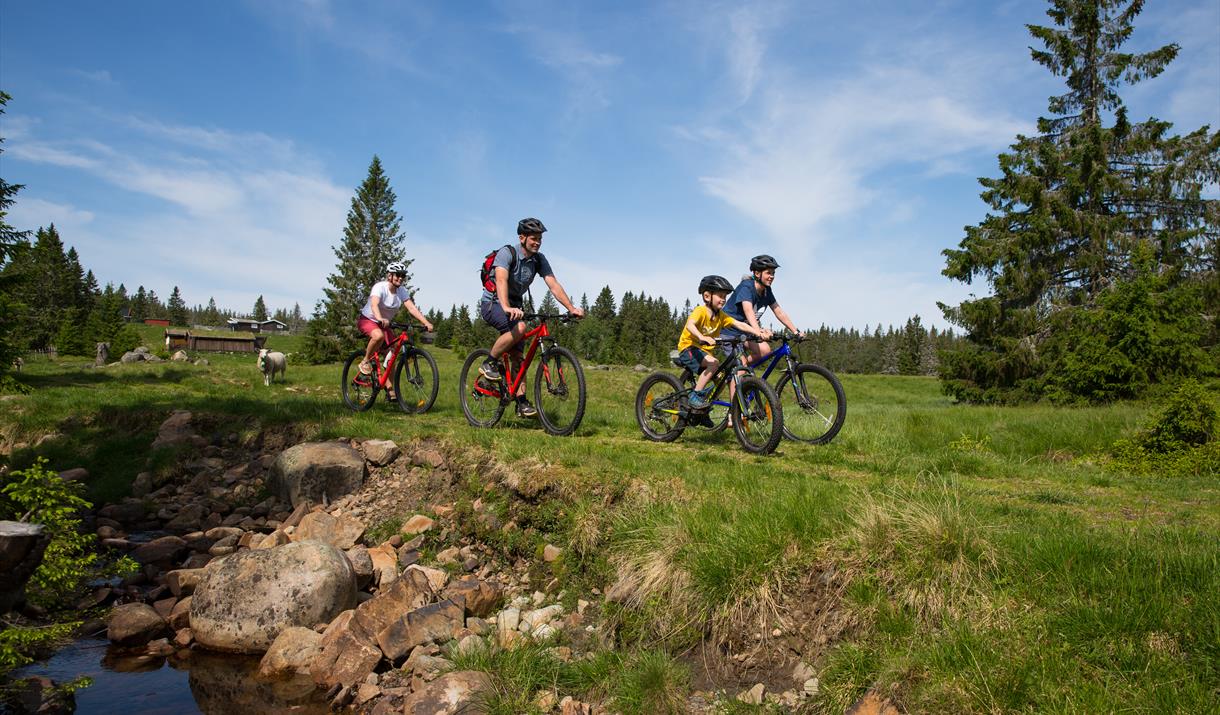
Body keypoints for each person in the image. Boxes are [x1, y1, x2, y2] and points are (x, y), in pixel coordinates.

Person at [477, 217, 584, 418]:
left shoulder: (539, 259)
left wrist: (571, 308)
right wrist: (507, 307)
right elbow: (501, 280)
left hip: (515, 307)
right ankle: (489, 362)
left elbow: (553, 284)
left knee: (519, 357)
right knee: (521, 329)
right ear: (522, 237)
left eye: (540, 239)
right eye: (533, 238)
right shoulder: (507, 253)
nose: (537, 242)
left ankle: (521, 401)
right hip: (494, 304)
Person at [676, 275, 771, 411]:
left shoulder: (721, 316)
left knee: (721, 379)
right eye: (720, 296)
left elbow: (739, 324)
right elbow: (690, 325)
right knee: (714, 363)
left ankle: (701, 411)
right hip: (688, 348)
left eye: (725, 297)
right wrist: (701, 336)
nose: (723, 300)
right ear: (707, 296)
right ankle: (694, 396)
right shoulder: (700, 311)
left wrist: (758, 332)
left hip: (704, 353)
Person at [356, 262, 434, 383]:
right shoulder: (380, 287)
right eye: (397, 275)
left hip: (384, 324)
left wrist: (426, 322)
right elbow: (374, 304)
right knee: (378, 336)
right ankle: (365, 360)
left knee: (391, 356)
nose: (400, 278)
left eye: (403, 276)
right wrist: (380, 318)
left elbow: (411, 308)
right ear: (389, 276)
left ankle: (390, 391)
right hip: (368, 320)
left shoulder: (401, 291)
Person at [721, 254, 800, 365]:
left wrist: (795, 331)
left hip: (746, 331)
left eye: (773, 273)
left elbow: (779, 311)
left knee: (765, 351)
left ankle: (737, 375)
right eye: (768, 273)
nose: (772, 276)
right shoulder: (747, 287)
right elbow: (748, 310)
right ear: (757, 274)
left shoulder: (767, 291)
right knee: (741, 366)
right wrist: (758, 332)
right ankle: (738, 373)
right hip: (729, 332)